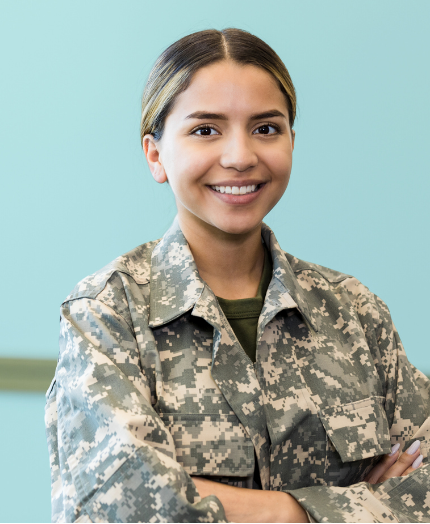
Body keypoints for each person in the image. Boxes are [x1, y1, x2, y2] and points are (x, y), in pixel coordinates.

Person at [45, 28, 430, 523]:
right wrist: (336, 509)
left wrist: (204, 497)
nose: (240, 156)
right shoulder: (106, 314)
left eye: (266, 128)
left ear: (292, 140)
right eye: (206, 129)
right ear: (156, 154)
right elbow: (127, 509)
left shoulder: (354, 311)